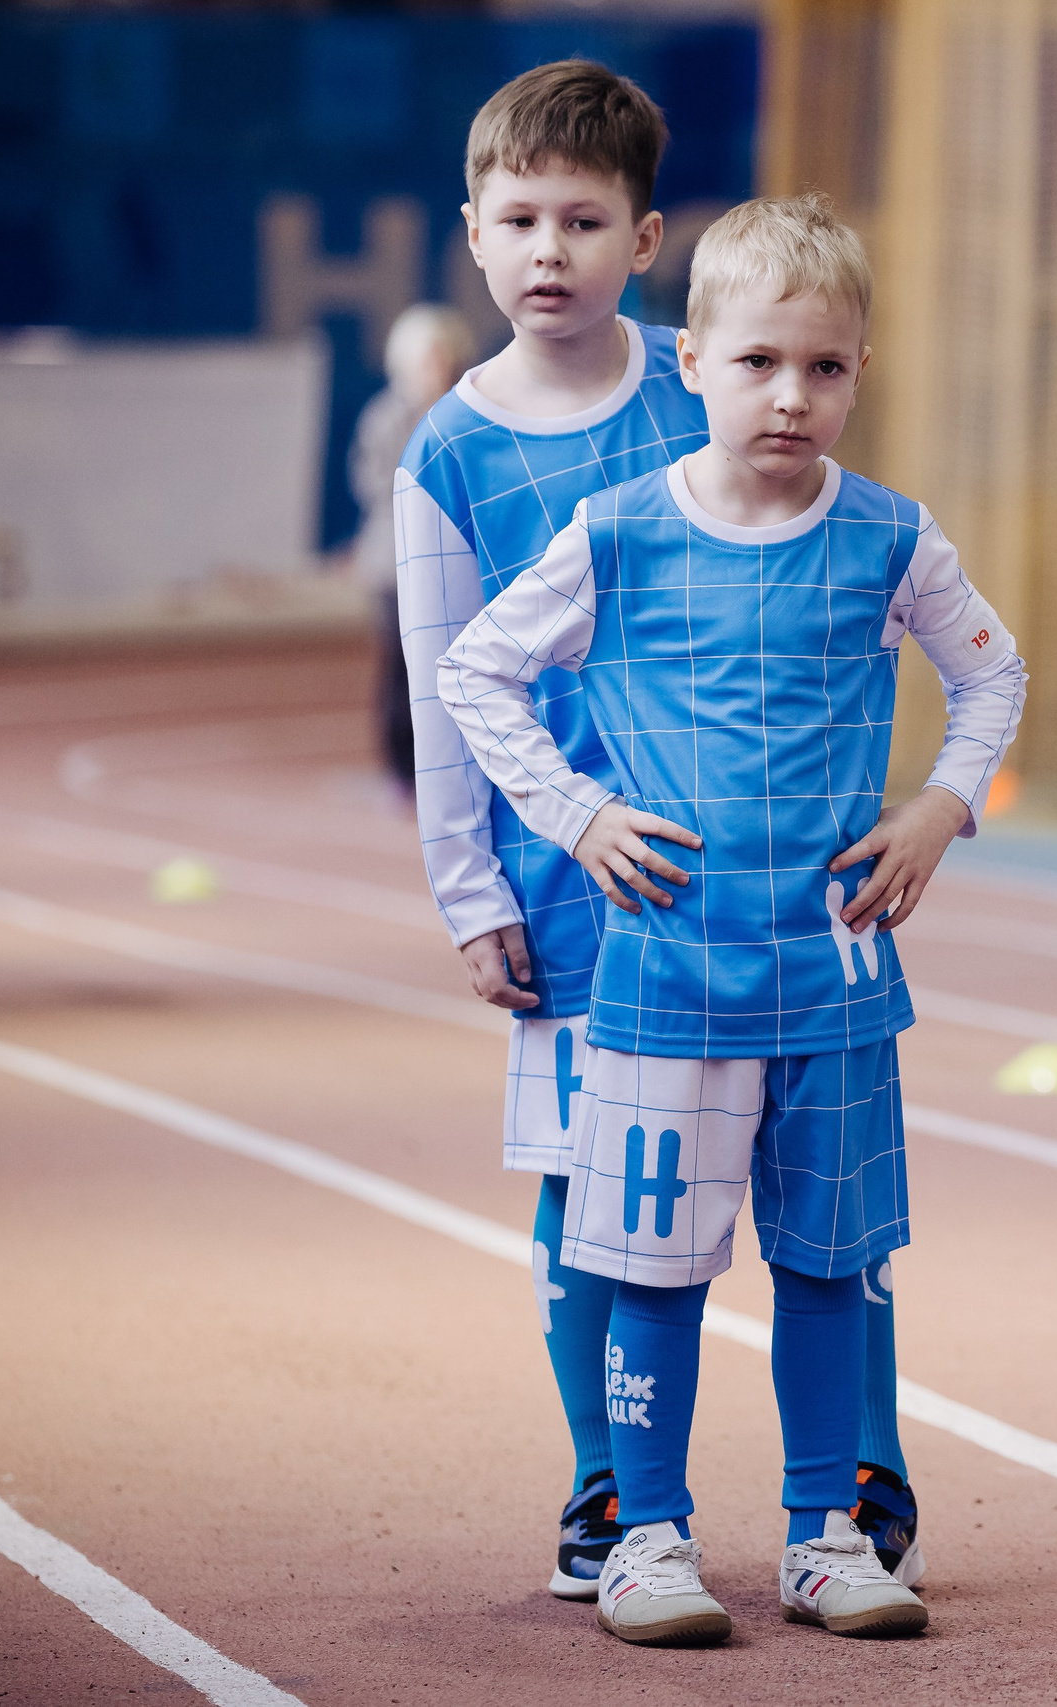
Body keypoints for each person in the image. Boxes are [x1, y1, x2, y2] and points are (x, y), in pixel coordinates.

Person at [439, 193, 1026, 1646]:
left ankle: (829, 1533)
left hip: (833, 989)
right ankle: (645, 1537)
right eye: (759, 361)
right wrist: (574, 813)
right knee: (649, 1264)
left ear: (860, 376)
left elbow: (994, 676)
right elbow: (474, 671)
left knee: (832, 1265)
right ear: (689, 358)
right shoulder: (620, 531)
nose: (791, 395)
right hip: (664, 986)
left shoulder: (890, 537)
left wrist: (943, 805)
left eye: (825, 368)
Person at [351, 305, 472, 800]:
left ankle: (454, 764)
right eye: (428, 357)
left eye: (443, 356)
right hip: (395, 565)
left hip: (452, 562)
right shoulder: (385, 417)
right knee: (403, 670)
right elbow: (377, 484)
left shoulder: (461, 412)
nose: (437, 367)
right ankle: (403, 768)